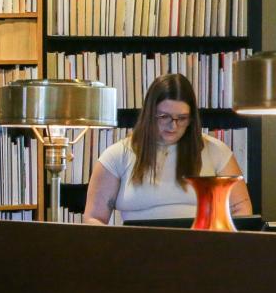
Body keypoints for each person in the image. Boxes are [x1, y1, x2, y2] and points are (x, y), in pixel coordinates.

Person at [83, 73, 252, 225]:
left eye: (182, 118)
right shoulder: (118, 155)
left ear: (192, 118)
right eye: (164, 116)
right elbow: (93, 218)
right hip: (136, 253)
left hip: (200, 252)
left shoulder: (216, 152)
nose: (173, 125)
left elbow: (241, 210)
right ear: (150, 113)